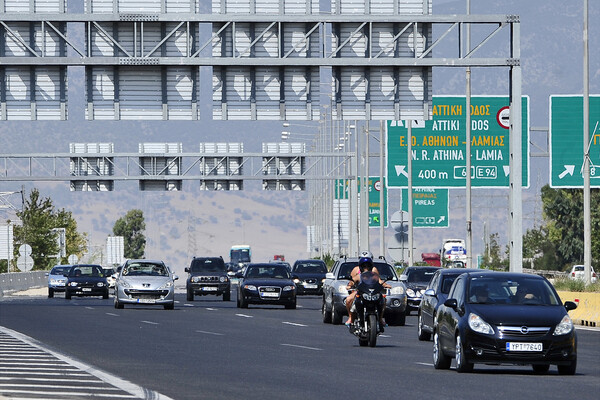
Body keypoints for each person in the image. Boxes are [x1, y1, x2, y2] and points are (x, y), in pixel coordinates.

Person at [345, 251, 391, 329]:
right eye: (364, 265)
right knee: (348, 299)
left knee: (383, 300)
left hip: (372, 290)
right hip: (360, 290)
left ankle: (380, 319)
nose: (366, 267)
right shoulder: (356, 270)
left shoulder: (374, 270)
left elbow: (378, 280)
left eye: (367, 265)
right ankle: (350, 318)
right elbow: (352, 281)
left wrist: (385, 285)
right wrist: (350, 286)